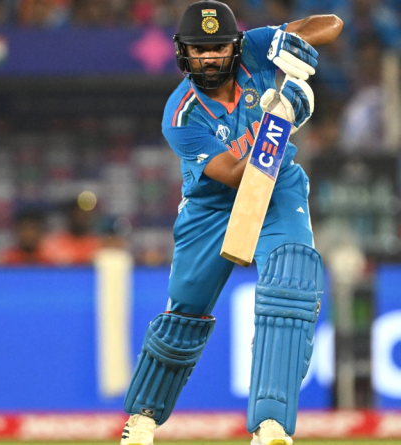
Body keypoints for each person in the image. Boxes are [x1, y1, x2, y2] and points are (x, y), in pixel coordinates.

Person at [119, 2, 342, 445]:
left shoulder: (256, 48)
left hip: (277, 189)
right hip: (212, 207)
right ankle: (142, 419)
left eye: (219, 47)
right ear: (183, 52)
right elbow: (239, 175)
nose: (209, 58)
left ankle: (271, 425)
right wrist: (282, 119)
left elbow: (331, 24)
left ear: (235, 46)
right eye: (199, 49)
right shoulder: (180, 115)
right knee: (185, 313)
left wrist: (294, 43)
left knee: (292, 281)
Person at [41, 200, 100, 265]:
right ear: (70, 215)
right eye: (77, 214)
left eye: (84, 215)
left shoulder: (95, 243)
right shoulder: (55, 242)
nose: (80, 218)